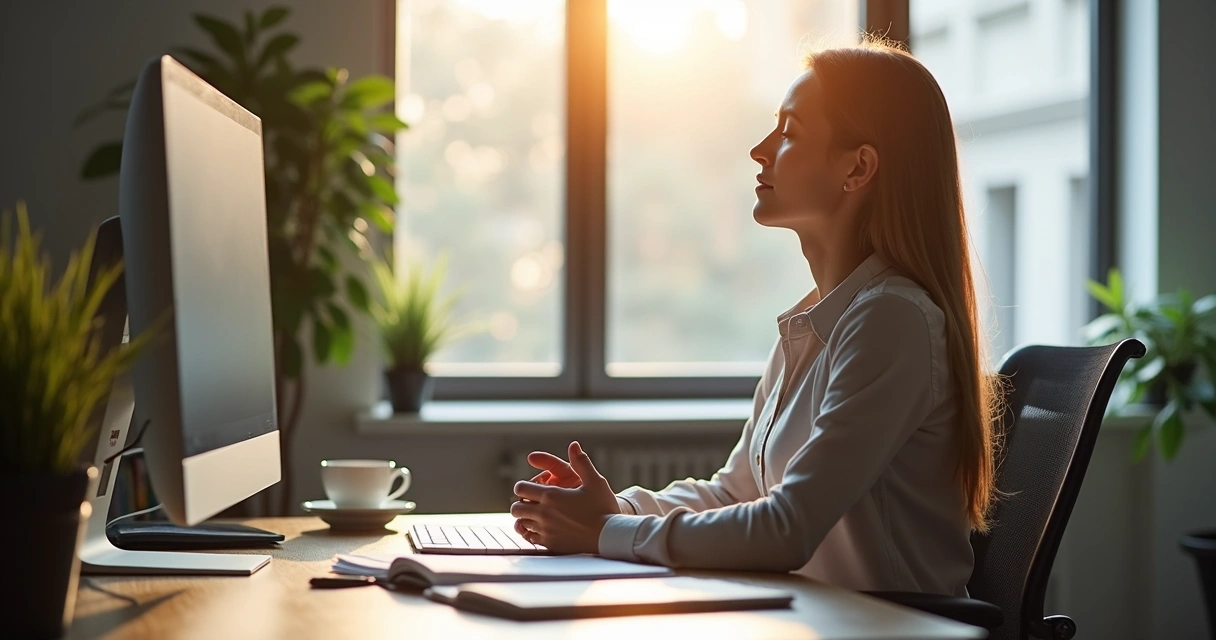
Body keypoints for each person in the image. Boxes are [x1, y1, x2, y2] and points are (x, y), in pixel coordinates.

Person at [509, 38, 1001, 596]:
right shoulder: (815, 323)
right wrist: (616, 507)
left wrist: (605, 533)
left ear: (858, 168)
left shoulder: (892, 321)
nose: (760, 150)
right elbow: (736, 492)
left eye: (789, 132)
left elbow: (785, 529)